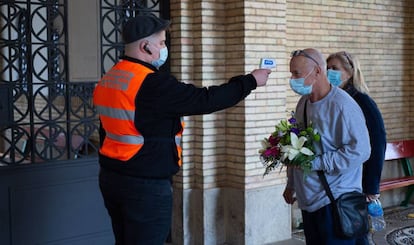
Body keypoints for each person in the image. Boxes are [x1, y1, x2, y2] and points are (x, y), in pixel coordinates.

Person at [92, 14, 271, 245]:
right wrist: (251, 81)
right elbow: (205, 99)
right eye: (162, 43)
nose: (164, 48)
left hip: (112, 177)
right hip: (144, 186)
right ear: (145, 47)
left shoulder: (110, 77)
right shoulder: (151, 83)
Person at [282, 48, 371, 245]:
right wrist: (291, 184)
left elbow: (361, 151)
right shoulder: (303, 103)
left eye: (296, 73)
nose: (292, 79)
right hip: (309, 201)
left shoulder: (343, 105)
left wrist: (317, 162)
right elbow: (295, 147)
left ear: (317, 72)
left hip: (335, 202)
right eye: (291, 73)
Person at [327, 51, 387, 245]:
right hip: (340, 179)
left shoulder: (362, 101)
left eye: (335, 69)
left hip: (359, 182)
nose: (329, 73)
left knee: (356, 231)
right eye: (327, 68)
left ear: (350, 72)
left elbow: (377, 144)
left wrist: (371, 186)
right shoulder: (333, 99)